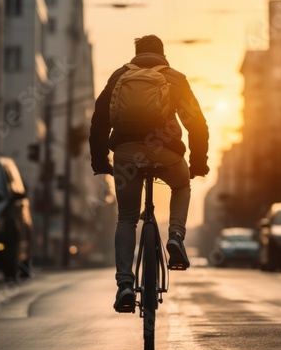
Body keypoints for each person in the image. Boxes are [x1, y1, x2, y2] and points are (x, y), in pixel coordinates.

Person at [89, 34, 209, 312]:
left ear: (136, 54)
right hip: (166, 152)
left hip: (127, 153)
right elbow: (197, 124)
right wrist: (197, 163)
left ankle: (124, 285)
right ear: (162, 54)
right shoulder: (175, 78)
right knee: (181, 186)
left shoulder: (120, 75)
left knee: (127, 218)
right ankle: (175, 236)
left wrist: (100, 162)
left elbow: (99, 122)